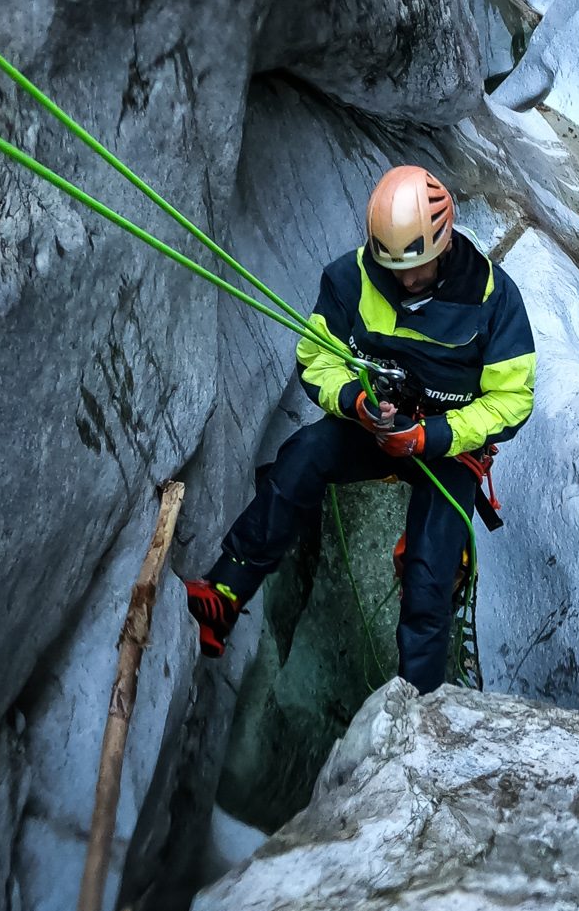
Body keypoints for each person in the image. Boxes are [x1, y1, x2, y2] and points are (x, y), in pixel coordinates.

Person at [184, 165, 536, 693]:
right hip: (374, 427)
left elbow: (511, 401)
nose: (405, 280)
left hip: (446, 446)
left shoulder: (492, 300)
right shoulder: (352, 278)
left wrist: (430, 437)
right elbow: (316, 358)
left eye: (417, 267)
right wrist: (354, 402)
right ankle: (227, 592)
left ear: (443, 244)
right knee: (302, 456)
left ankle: (416, 706)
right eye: (393, 266)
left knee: (430, 570)